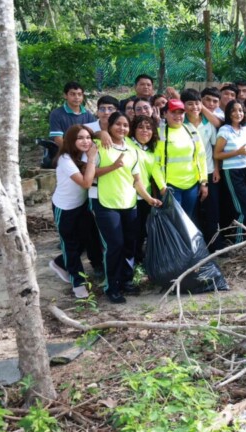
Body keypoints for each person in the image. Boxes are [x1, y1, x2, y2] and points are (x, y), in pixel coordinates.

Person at [90, 112, 162, 304]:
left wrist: (149, 199)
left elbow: (137, 179)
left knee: (129, 243)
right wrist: (112, 164)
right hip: (105, 202)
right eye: (117, 125)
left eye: (125, 125)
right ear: (110, 126)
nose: (122, 128)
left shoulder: (131, 150)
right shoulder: (98, 146)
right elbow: (90, 173)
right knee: (114, 245)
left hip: (129, 202)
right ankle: (111, 286)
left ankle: (126, 280)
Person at [49, 125, 102, 298]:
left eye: (88, 137)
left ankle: (59, 262)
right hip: (64, 208)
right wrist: (92, 158)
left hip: (82, 205)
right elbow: (86, 182)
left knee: (84, 241)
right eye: (80, 138)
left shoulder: (83, 154)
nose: (85, 141)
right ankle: (77, 283)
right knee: (70, 245)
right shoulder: (65, 159)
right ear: (71, 140)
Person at [182, 89, 225, 250]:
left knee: (212, 210)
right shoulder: (180, 123)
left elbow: (214, 148)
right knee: (193, 212)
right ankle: (196, 248)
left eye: (197, 103)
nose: (194, 107)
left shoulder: (209, 124)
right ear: (184, 106)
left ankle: (216, 245)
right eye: (190, 104)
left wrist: (216, 170)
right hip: (188, 174)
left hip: (208, 172)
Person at [154, 99, 208, 223]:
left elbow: (201, 157)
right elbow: (155, 164)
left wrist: (204, 182)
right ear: (165, 113)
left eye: (181, 113)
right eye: (173, 112)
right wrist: (162, 187)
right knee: (174, 221)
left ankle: (185, 243)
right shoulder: (160, 134)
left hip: (192, 186)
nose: (178, 116)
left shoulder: (192, 131)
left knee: (187, 220)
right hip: (171, 187)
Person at [215, 99, 246, 243]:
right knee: (243, 208)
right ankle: (238, 242)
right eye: (234, 110)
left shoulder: (243, 130)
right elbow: (217, 154)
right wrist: (237, 152)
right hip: (232, 172)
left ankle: (245, 236)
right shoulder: (224, 130)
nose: (238, 113)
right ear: (228, 113)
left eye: (240, 110)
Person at [127, 115, 166, 262]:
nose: (145, 131)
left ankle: (138, 259)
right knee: (132, 232)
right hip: (130, 196)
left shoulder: (152, 150)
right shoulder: (128, 143)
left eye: (149, 128)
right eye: (141, 127)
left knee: (142, 231)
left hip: (146, 197)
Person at [49, 82, 96, 147]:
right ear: (65, 95)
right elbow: (58, 139)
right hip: (66, 150)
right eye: (73, 94)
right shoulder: (57, 114)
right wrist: (72, 152)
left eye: (79, 94)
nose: (77, 97)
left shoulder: (87, 114)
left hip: (85, 149)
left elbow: (94, 133)